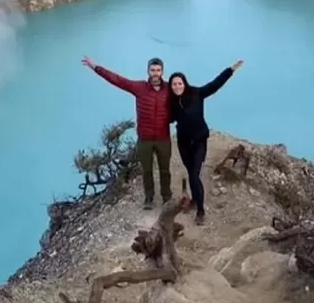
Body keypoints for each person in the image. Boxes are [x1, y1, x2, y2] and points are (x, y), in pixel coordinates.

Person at [82, 56, 172, 210]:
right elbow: (117, 80)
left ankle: (167, 197)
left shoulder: (171, 89)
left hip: (164, 138)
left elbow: (191, 96)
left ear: (162, 71)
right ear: (148, 71)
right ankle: (149, 198)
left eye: (158, 70)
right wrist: (96, 68)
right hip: (145, 139)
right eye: (153, 70)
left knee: (165, 170)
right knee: (147, 170)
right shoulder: (139, 87)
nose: (155, 73)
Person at [168, 60, 243, 225]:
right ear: (171, 87)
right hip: (183, 143)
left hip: (200, 141)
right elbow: (167, 118)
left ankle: (200, 210)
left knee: (194, 176)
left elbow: (215, 84)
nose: (177, 86)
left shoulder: (197, 93)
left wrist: (230, 70)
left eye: (179, 83)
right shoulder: (171, 102)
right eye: (174, 84)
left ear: (184, 83)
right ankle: (195, 199)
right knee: (191, 174)